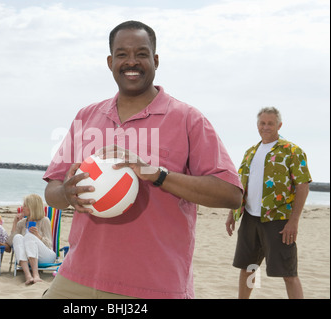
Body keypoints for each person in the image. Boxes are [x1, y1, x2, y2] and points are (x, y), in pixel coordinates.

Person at [42, 20, 243, 299]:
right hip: (77, 278)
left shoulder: (188, 119)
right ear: (111, 61)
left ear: (155, 60)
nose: (131, 62)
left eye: (141, 53)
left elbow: (232, 194)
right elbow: (52, 191)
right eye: (122, 54)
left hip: (154, 286)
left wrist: (158, 174)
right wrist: (66, 192)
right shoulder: (85, 116)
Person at [225, 107, 312, 299]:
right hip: (249, 218)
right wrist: (233, 213)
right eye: (262, 123)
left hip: (279, 220)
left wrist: (294, 221)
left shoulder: (293, 151)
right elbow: (241, 185)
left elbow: (302, 187)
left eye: (270, 123)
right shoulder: (250, 152)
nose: (266, 127)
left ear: (279, 125)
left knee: (288, 273)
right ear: (257, 125)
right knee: (248, 268)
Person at [7, 194, 56, 285]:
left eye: (25, 205)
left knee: (29, 236)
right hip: (28, 257)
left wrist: (38, 236)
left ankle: (36, 275)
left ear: (32, 207)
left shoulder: (44, 220)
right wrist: (15, 223)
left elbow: (49, 245)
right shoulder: (21, 223)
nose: (23, 208)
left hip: (45, 256)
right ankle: (28, 276)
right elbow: (10, 243)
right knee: (18, 237)